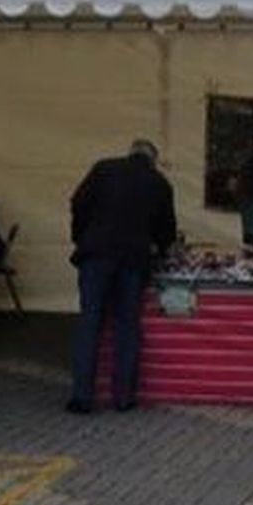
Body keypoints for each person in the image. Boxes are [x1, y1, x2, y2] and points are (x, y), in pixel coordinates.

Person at [66, 139, 176, 415]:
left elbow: (78, 203)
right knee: (127, 325)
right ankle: (124, 397)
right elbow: (166, 231)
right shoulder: (159, 183)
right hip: (133, 259)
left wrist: (82, 237)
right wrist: (160, 249)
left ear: (130, 153)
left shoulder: (103, 169)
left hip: (96, 255)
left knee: (89, 322)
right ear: (153, 159)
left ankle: (82, 397)